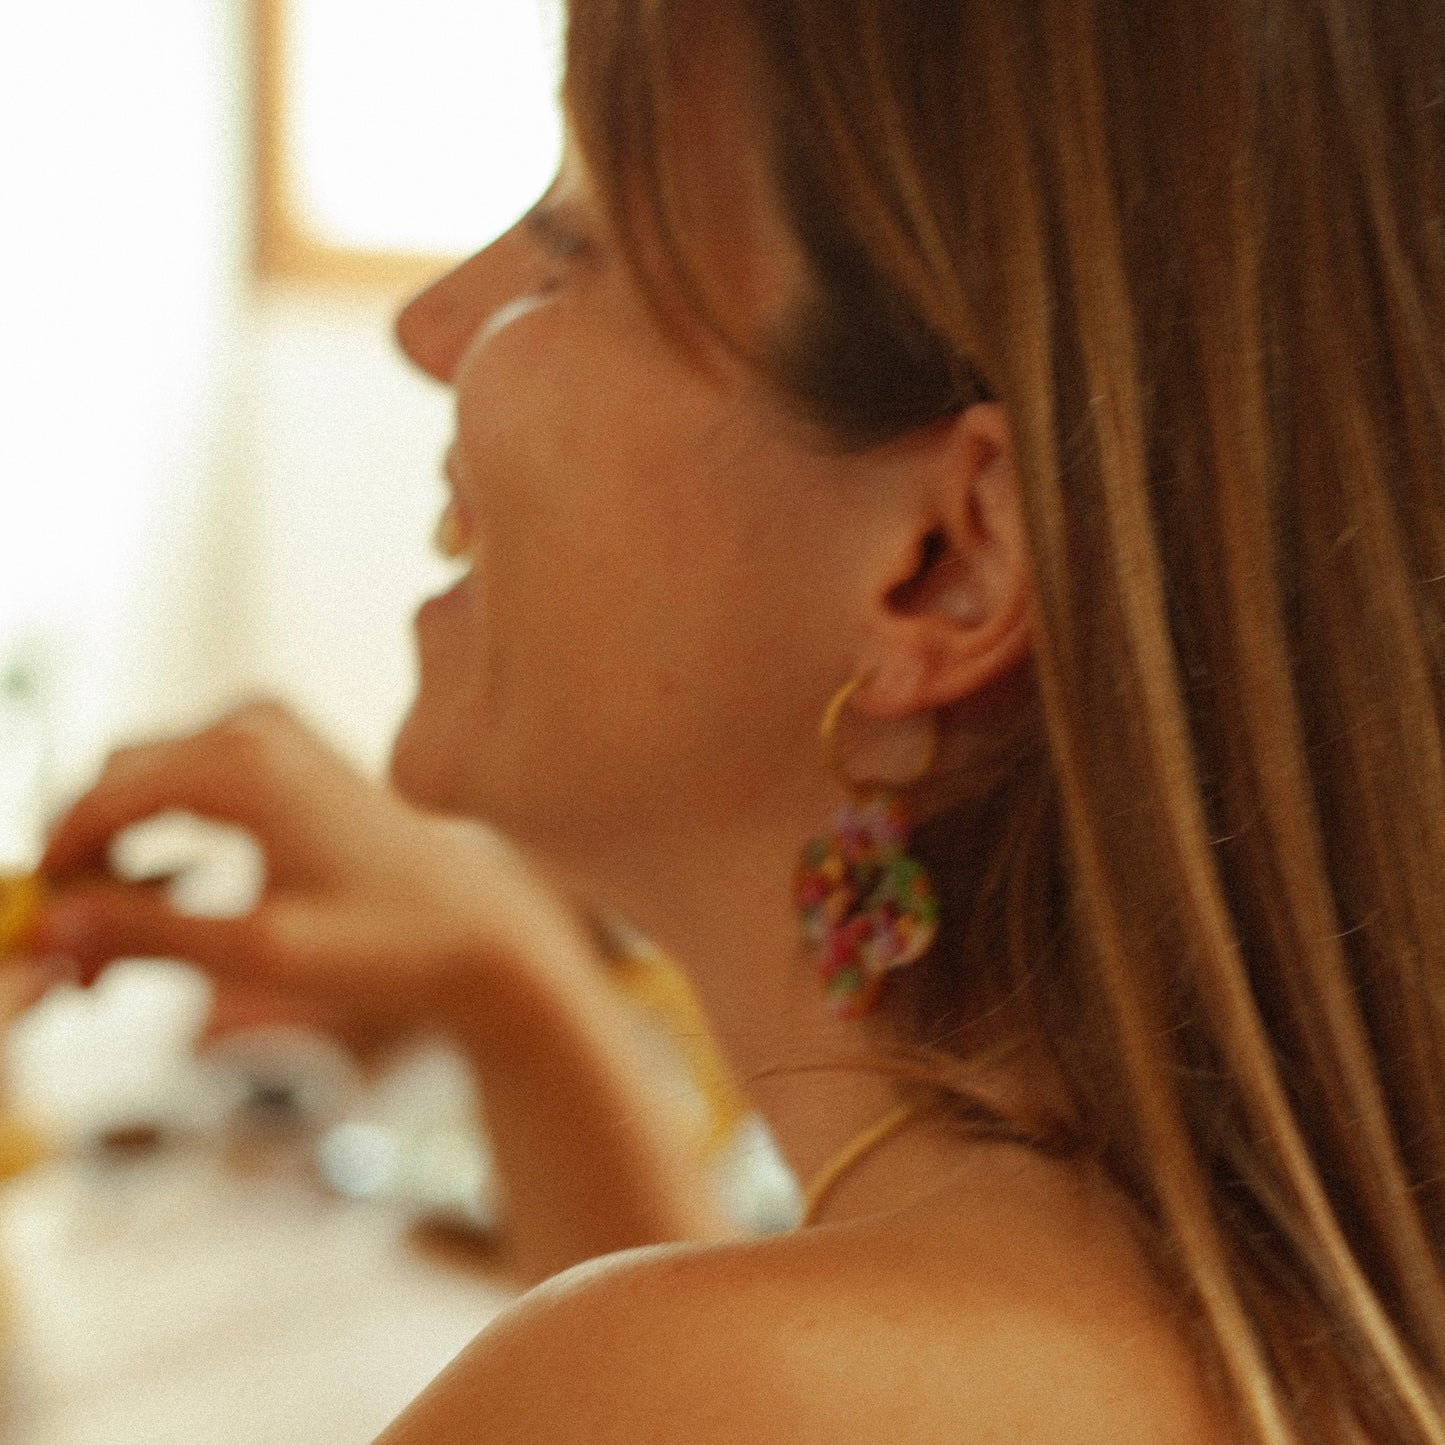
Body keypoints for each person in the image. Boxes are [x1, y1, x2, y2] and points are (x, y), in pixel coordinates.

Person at [26, 0, 1445, 1439]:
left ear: (942, 569)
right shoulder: (1232, 1308)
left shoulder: (693, 1390)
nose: (429, 322)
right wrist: (513, 988)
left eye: (573, 240)